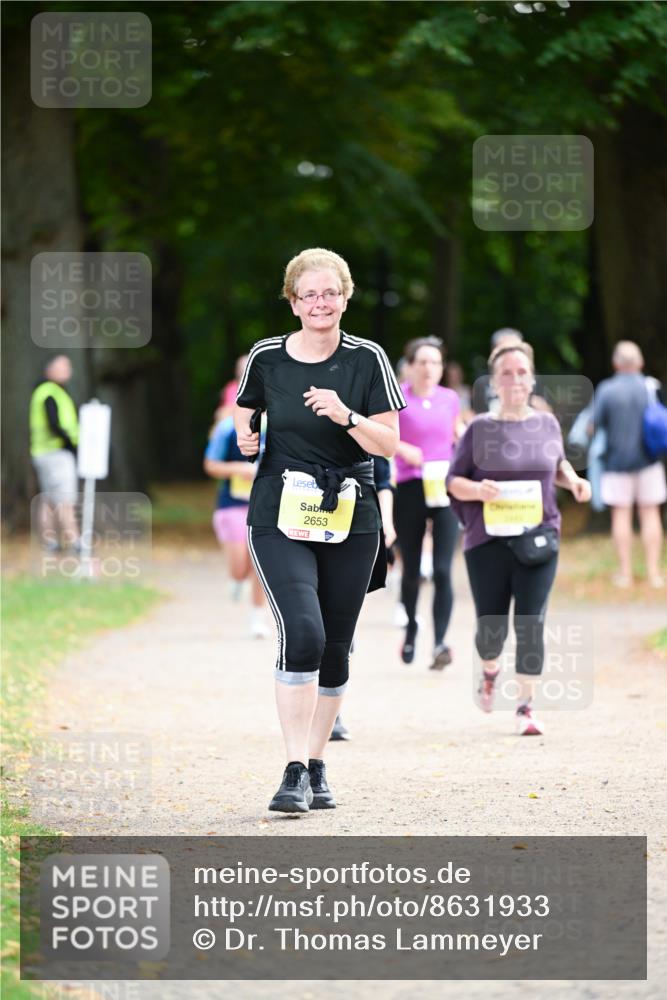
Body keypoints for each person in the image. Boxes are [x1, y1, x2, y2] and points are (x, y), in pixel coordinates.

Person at [234, 247, 405, 812]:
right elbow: (245, 405)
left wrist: (346, 415)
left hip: (350, 511)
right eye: (309, 294)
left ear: (346, 297)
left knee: (335, 647)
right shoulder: (267, 357)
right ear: (292, 302)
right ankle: (292, 769)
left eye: (330, 292)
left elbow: (390, 445)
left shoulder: (368, 360)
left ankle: (317, 764)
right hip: (280, 509)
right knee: (302, 631)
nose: (320, 303)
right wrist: (247, 436)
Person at [447, 342, 591, 736]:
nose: (516, 380)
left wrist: (575, 481)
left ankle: (525, 707)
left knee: (531, 622)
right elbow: (453, 482)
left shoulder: (545, 424)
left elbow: (556, 464)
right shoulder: (479, 428)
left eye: (522, 372)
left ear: (532, 379)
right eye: (507, 373)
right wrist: (478, 491)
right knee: (491, 630)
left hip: (538, 536)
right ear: (494, 381)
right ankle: (490, 669)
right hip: (488, 541)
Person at [394, 337, 463, 669]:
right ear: (410, 366)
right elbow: (381, 436)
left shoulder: (450, 399)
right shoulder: (397, 399)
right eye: (422, 362)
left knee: (442, 570)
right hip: (409, 487)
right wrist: (402, 449)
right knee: (411, 571)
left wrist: (466, 437)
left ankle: (439, 643)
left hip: (444, 488)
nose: (428, 368)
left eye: (435, 362)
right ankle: (410, 629)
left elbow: (455, 432)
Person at [593, 341, 666, 588]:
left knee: (621, 515)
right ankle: (654, 573)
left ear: (616, 363)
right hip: (649, 461)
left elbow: (596, 424)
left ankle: (625, 573)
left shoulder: (606, 390)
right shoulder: (651, 386)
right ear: (640, 363)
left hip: (616, 463)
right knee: (650, 513)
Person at [204, 412, 269, 638]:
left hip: (266, 506)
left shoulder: (281, 425)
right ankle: (237, 579)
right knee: (240, 568)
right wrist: (239, 469)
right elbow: (211, 464)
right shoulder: (227, 428)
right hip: (232, 505)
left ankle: (258, 618)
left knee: (261, 563)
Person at [30, 355, 80, 552]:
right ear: (49, 369)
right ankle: (76, 542)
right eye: (63, 367)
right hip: (57, 454)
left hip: (41, 453)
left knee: (49, 499)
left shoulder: (42, 392)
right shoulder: (50, 393)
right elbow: (54, 423)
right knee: (66, 499)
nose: (68, 371)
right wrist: (70, 442)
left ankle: (50, 542)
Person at [472, 329, 551, 415]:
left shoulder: (534, 378)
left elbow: (546, 409)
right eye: (505, 349)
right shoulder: (482, 381)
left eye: (517, 348)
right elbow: (474, 412)